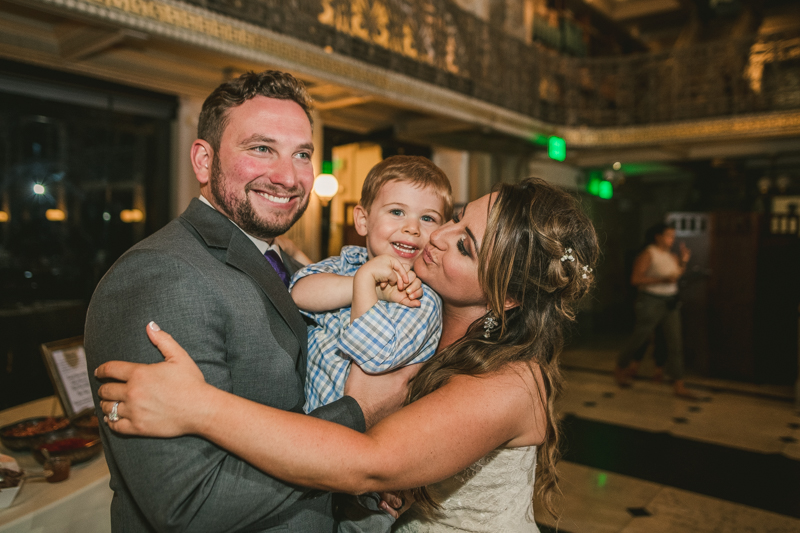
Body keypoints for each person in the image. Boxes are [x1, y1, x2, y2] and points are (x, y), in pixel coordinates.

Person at [95, 177, 600, 532]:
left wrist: (199, 406)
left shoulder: (510, 383)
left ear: (508, 295)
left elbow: (370, 462)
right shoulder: (429, 324)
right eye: (457, 218)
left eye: (465, 247)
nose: (437, 236)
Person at [84, 70, 411, 532]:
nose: (287, 176)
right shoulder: (160, 276)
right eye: (261, 148)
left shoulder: (299, 273)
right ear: (203, 160)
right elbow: (190, 504)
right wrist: (360, 417)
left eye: (301, 154)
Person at [291, 155, 452, 412]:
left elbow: (373, 356)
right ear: (363, 221)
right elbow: (299, 293)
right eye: (397, 212)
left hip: (354, 434)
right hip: (306, 419)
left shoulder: (420, 297)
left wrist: (364, 286)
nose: (412, 227)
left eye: (428, 218)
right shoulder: (347, 263)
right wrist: (367, 283)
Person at [614, 222, 695, 398]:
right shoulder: (649, 253)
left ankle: (679, 384)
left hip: (670, 301)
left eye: (673, 236)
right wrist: (661, 281)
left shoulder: (671, 256)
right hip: (651, 301)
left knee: (675, 342)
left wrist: (684, 261)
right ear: (658, 237)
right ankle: (621, 367)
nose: (671, 239)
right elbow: (636, 279)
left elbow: (675, 276)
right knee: (640, 337)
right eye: (668, 236)